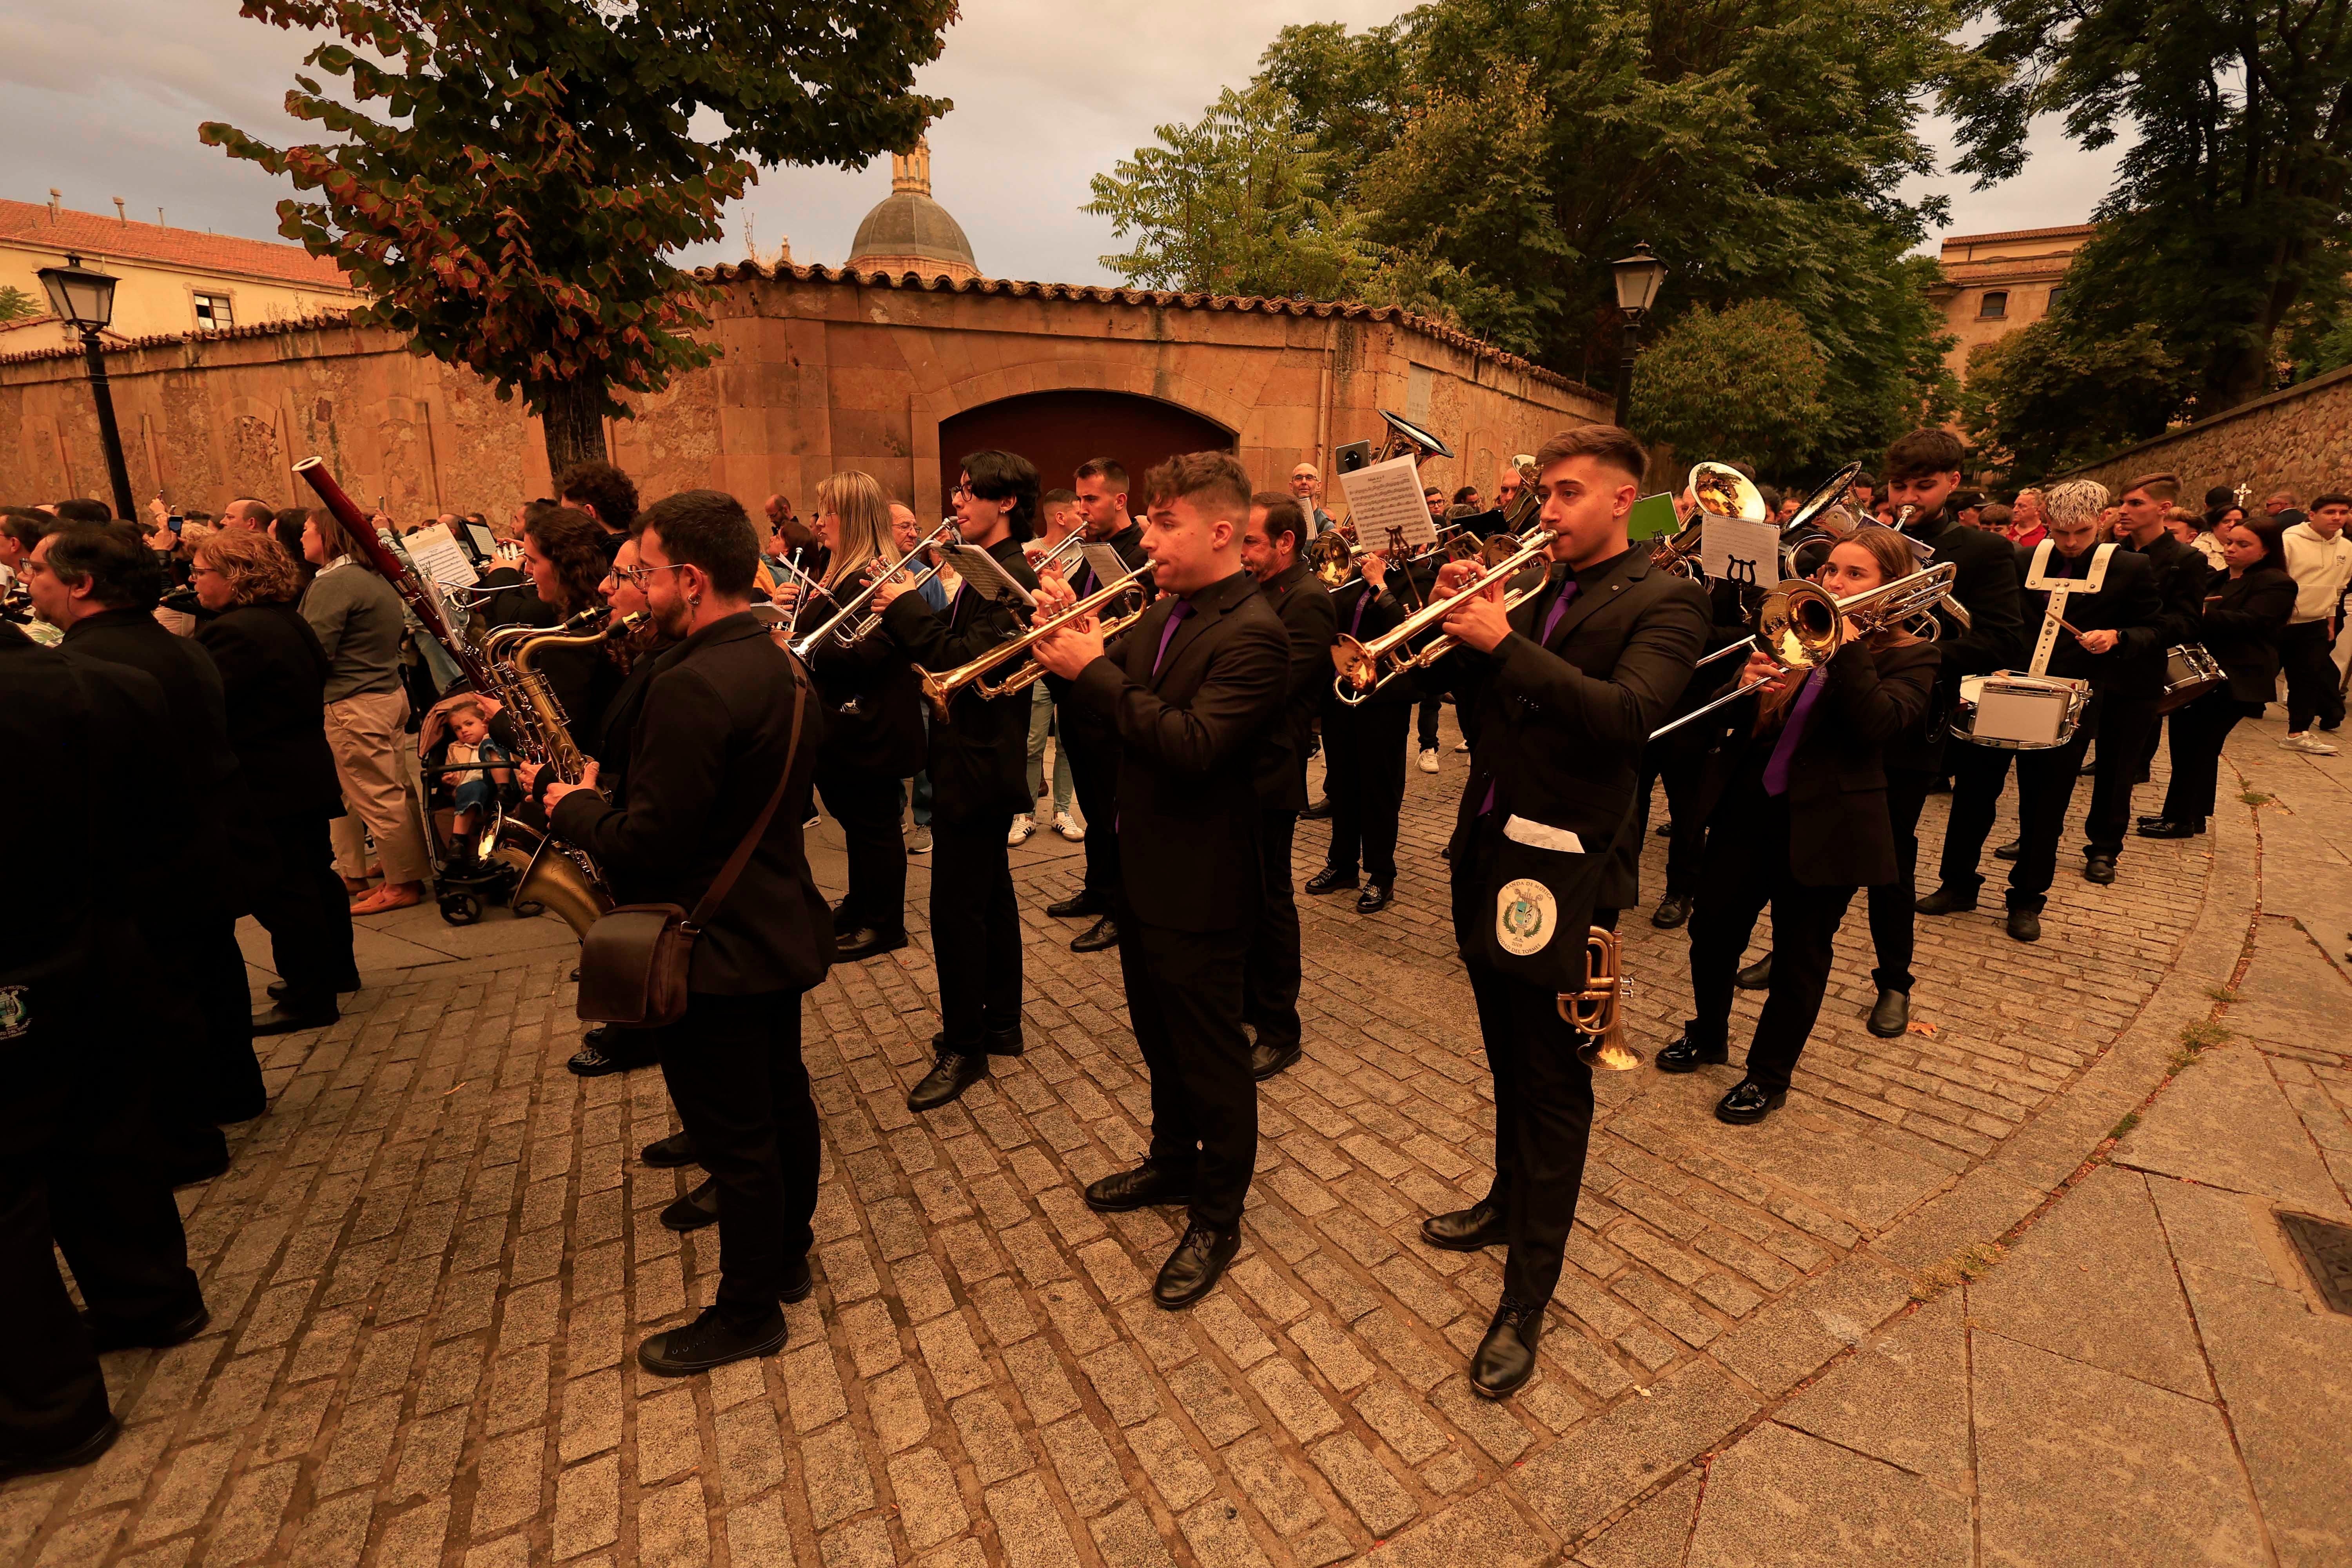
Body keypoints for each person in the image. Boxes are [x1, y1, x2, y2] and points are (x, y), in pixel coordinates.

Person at [1417, 425, 1708, 1399]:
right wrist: (1455, 637)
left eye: (1568, 493)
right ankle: (1506, 1199)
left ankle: (1526, 1296)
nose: (1546, 509)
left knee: (1552, 1084)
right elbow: (1495, 715)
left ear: (1625, 499)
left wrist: (1504, 643)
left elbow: (1630, 719)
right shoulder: (1540, 590)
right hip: (1491, 849)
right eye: (1545, 491)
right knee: (1506, 1052)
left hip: (1567, 873)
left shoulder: (1668, 599)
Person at [544, 489, 832, 1376]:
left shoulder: (693, 684)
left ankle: (747, 1312)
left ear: (692, 579)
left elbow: (649, 839)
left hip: (711, 949)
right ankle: (786, 1257)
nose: (637, 585)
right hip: (772, 926)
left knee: (738, 1139)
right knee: (783, 1102)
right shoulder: (779, 662)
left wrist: (578, 807)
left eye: (646, 571)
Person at [1030, 451, 1289, 1309]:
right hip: (1145, 870)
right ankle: (1174, 1164)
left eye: (1163, 521)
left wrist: (1092, 670)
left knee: (1213, 1057)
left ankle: (1219, 1216)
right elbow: (1112, 709)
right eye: (1147, 519)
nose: (1145, 534)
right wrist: (1074, 635)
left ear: (1221, 532)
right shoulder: (1168, 611)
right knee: (1158, 1038)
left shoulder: (1253, 630)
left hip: (1204, 882)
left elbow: (1191, 743)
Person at [1, 624, 209, 1483]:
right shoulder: (107, 681)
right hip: (101, 938)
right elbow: (165, 818)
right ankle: (149, 1295)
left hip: (12, 960)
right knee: (106, 1121)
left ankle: (45, 1408)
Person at [1661, 527, 1938, 1122]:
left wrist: (1848, 647)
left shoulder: (1914, 655)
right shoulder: (1789, 631)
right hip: (1749, 810)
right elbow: (1725, 722)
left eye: (1855, 575)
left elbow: (1881, 726)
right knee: (1711, 933)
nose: (1834, 583)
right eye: (1832, 570)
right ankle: (1709, 1034)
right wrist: (1742, 688)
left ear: (1891, 589)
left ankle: (1768, 1075)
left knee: (1801, 955)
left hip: (1828, 826)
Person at [27, 524, 268, 1180]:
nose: (28, 580)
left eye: (40, 569)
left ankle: (187, 1132)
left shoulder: (87, 667)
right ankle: (235, 1090)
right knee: (215, 974)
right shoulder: (176, 646)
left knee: (165, 998)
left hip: (148, 860)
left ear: (81, 585)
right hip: (202, 846)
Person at [874, 451, 1043, 1111]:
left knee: (955, 909)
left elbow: (958, 662)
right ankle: (1001, 1023)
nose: (958, 501)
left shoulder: (1013, 578)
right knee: (992, 896)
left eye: (972, 492)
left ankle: (965, 1044)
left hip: (979, 763)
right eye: (960, 489)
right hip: (973, 757)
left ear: (1007, 503)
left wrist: (904, 607)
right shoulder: (983, 569)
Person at [1924, 479, 2160, 943]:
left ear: (2103, 521)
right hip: (2001, 690)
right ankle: (1957, 885)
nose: (2070, 542)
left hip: (2067, 701)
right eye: (2060, 532)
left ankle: (2027, 900)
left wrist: (2118, 636)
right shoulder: (2019, 559)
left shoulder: (2131, 567)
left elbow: (2159, 624)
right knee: (1973, 796)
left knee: (2045, 807)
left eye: (2081, 533)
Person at [189, 530, 360, 1033]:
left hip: (266, 778)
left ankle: (310, 995)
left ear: (236, 576)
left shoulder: (236, 631)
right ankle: (334, 971)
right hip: (299, 769)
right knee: (315, 875)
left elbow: (213, 702)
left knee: (282, 889)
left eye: (202, 572)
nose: (195, 581)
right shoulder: (286, 619)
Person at [800, 471, 925, 962]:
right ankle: (860, 904)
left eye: (826, 511)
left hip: (870, 726)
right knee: (857, 825)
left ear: (849, 517)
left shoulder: (876, 576)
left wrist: (799, 650)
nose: (818, 523)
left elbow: (867, 654)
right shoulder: (836, 571)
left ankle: (885, 923)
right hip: (845, 726)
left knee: (875, 826)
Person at [1237, 492, 1336, 1081]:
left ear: (1285, 542)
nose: (1241, 552)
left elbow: (1277, 686)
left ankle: (1280, 1030)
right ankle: (1250, 1005)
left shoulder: (1309, 599)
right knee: (1245, 895)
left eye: (1251, 541)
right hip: (1240, 766)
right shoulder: (1257, 589)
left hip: (1272, 769)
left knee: (1272, 901)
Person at [297, 506, 432, 915]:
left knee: (378, 796)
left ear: (328, 536)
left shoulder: (336, 583)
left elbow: (316, 650)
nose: (301, 537)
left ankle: (402, 883)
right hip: (384, 693)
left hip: (354, 700)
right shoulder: (370, 576)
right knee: (395, 789)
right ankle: (404, 868)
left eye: (307, 530)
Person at [1041, 457, 1152, 953]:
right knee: (1091, 803)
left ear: (1120, 500)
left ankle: (1120, 908)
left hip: (1110, 692)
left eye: (1090, 500)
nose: (1080, 509)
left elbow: (1137, 623)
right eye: (1079, 499)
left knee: (1112, 808)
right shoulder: (1091, 548)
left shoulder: (1138, 550)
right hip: (1077, 691)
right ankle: (1098, 887)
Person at [2085, 473, 2211, 879]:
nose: (2124, 510)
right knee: (2058, 759)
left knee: (2117, 767)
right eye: (2123, 503)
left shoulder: (2187, 560)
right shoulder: (2105, 550)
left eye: (2136, 503)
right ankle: (2039, 837)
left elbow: (2187, 623)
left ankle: (2104, 848)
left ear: (2163, 509)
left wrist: (2123, 636)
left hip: (2137, 675)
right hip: (2087, 670)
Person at [2140, 515, 2296, 837]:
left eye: (2243, 544)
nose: (2231, 550)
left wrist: (2202, 615)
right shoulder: (2217, 579)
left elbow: (2251, 621)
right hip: (2201, 673)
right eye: (2229, 542)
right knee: (2190, 745)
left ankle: (2180, 819)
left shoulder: (2276, 582)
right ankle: (2190, 815)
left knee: (2198, 746)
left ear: (2266, 550)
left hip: (2238, 675)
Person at [1310, 543, 1411, 913]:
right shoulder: (1348, 576)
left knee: (1379, 789)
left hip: (1384, 700)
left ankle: (1382, 874)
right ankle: (1342, 865)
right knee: (1342, 784)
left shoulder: (1416, 577)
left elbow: (1407, 633)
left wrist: (1380, 586)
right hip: (1340, 693)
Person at [2278, 493, 2351, 753]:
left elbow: (2338, 588)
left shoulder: (2347, 548)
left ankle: (2297, 733)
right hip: (2280, 621)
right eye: (2330, 512)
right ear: (2312, 515)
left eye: (2343, 512)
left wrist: (2330, 621)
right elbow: (2277, 580)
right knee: (2256, 671)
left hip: (2316, 623)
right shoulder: (2289, 541)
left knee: (2307, 680)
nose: (2338, 518)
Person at [441, 699, 512, 848]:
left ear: (484, 722)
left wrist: (490, 733)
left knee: (489, 744)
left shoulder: (496, 738)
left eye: (469, 724)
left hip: (500, 785)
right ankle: (457, 842)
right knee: (473, 787)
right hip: (472, 791)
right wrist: (449, 781)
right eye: (457, 728)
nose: (464, 731)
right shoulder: (455, 749)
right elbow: (450, 773)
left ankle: (504, 790)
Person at [555, 460, 639, 560]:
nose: (564, 522)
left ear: (589, 512)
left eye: (567, 513)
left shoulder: (595, 560)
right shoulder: (643, 547)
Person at [1289, 463, 1338, 536]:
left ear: (1319, 486)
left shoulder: (1326, 526)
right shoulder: (1285, 519)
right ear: (1291, 486)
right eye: (1299, 478)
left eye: (1309, 478)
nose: (1304, 482)